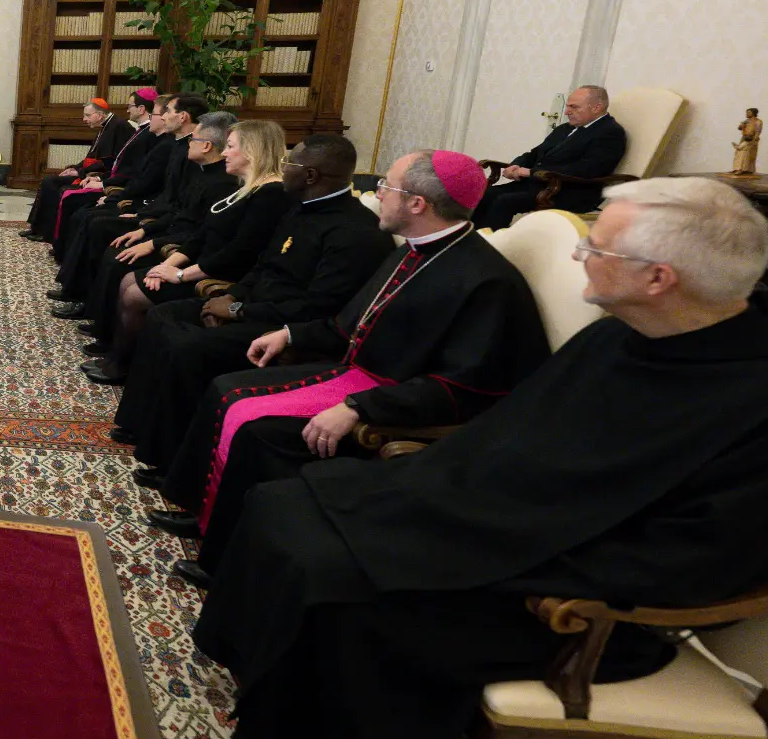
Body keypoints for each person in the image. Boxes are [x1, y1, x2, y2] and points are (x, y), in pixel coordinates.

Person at [192, 178, 768, 739]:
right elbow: (515, 436)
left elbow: (710, 555)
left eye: (596, 247)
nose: (579, 257)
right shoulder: (628, 332)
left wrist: (491, 545)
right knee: (283, 503)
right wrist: (442, 497)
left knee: (344, 585)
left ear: (659, 278)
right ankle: (257, 674)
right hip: (504, 516)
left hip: (582, 596)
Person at [146, 149, 549, 588]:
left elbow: (462, 387)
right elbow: (350, 324)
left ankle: (226, 557)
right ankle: (203, 512)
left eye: (387, 187)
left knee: (257, 427)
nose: (377, 194)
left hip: (394, 402)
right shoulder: (415, 252)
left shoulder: (488, 282)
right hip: (358, 372)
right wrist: (290, 335)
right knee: (226, 388)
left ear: (418, 204)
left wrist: (359, 407)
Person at [112, 134, 392, 464]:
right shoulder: (300, 208)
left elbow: (319, 307)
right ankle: (140, 423)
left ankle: (168, 456)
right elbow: (263, 264)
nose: (282, 169)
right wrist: (231, 294)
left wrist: (237, 310)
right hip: (252, 303)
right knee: (163, 317)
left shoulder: (355, 232)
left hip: (280, 325)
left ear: (310, 175)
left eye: (289, 164)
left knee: (187, 347)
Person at [83, 120, 289, 383]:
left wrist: (181, 275)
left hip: (222, 275)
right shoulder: (246, 186)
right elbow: (202, 234)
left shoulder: (272, 194)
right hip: (201, 264)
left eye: (230, 146)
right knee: (128, 281)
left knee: (134, 295)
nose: (224, 152)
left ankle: (123, 366)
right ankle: (120, 357)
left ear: (252, 151)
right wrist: (167, 266)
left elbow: (239, 254)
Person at [50, 96, 210, 317]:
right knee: (91, 219)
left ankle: (88, 304)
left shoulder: (184, 152)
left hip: (159, 219)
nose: (163, 117)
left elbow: (172, 202)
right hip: (155, 212)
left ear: (182, 117)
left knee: (99, 227)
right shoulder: (176, 145)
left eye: (165, 112)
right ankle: (77, 291)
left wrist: (140, 216)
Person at [473, 85, 628, 229]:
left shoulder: (610, 132)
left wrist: (531, 172)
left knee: (504, 202)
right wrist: (515, 165)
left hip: (571, 192)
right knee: (484, 194)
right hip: (538, 184)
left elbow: (587, 169)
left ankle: (489, 245)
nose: (566, 112)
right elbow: (536, 153)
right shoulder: (566, 128)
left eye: (574, 107)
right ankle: (471, 240)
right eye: (567, 106)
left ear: (597, 107)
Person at [26, 98, 127, 243]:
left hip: (98, 176)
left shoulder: (118, 127)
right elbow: (91, 155)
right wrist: (75, 168)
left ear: (100, 115)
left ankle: (46, 231)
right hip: (89, 172)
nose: (84, 119)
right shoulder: (105, 126)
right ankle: (38, 228)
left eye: (87, 115)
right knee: (48, 181)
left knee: (52, 184)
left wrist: (80, 172)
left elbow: (108, 163)